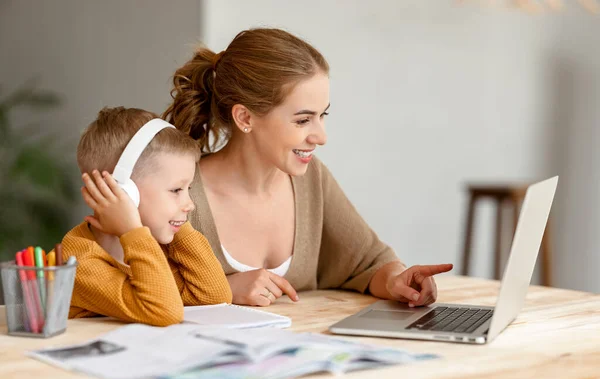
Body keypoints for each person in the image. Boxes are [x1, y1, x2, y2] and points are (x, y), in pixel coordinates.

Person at [164, 28, 452, 307]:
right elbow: (133, 286)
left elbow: (369, 261)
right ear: (245, 118)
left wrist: (395, 281)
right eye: (303, 120)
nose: (321, 137)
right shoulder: (178, 191)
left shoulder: (311, 179)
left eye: (322, 116)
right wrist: (223, 289)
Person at [61, 106, 232, 326]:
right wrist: (132, 231)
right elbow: (164, 312)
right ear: (122, 191)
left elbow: (214, 298)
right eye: (176, 190)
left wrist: (177, 225)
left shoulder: (156, 246)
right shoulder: (79, 261)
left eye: (189, 189)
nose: (190, 204)